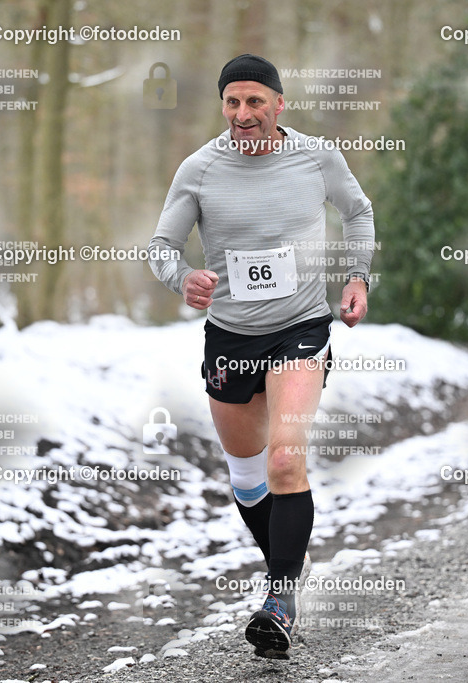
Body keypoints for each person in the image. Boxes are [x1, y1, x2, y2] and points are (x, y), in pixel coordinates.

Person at [148, 53, 375, 659]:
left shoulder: (317, 157)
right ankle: (288, 557)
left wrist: (357, 279)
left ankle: (280, 597)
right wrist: (183, 279)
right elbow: (162, 246)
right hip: (230, 334)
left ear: (279, 103)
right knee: (249, 480)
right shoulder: (199, 169)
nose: (243, 114)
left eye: (255, 101)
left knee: (283, 461)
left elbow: (358, 212)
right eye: (232, 102)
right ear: (222, 106)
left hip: (301, 327)